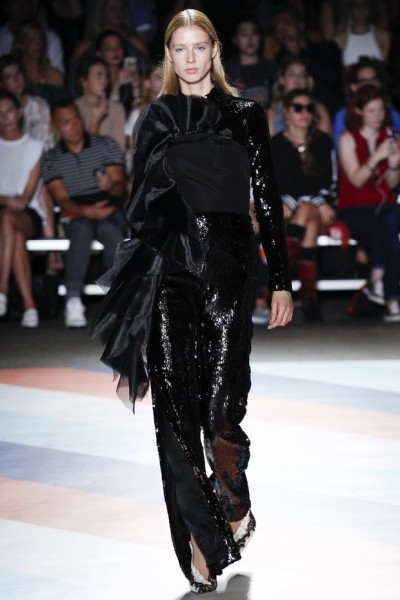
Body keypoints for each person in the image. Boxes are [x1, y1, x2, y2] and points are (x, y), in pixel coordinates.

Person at [90, 8, 293, 595]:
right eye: (178, 48)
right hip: (170, 271)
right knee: (175, 411)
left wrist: (281, 278)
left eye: (198, 46)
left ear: (214, 50)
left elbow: (267, 198)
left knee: (223, 406)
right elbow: (142, 207)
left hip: (230, 268)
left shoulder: (245, 114)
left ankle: (234, 500)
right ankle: (203, 541)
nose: (189, 58)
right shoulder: (156, 117)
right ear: (168, 56)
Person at [41, 100, 126, 328]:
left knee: (111, 230)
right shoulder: (51, 158)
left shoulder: (105, 144)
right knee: (81, 228)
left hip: (109, 207)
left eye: (76, 118)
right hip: (76, 211)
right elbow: (62, 199)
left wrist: (110, 185)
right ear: (55, 127)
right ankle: (73, 299)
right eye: (66, 122)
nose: (74, 125)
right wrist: (86, 211)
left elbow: (120, 188)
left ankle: (116, 297)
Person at [271, 88, 336, 321]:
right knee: (308, 219)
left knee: (306, 211)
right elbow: (280, 183)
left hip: (320, 208)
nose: (304, 113)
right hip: (294, 210)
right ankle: (309, 297)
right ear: (286, 113)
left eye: (309, 108)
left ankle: (278, 275)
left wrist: (301, 199)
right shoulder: (276, 144)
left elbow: (327, 181)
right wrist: (297, 199)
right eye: (298, 108)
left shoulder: (322, 141)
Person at [337, 85, 400, 322]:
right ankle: (392, 300)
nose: (378, 115)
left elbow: (391, 184)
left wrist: (393, 164)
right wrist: (377, 157)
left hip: (384, 210)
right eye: (372, 110)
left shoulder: (390, 137)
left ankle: (376, 279)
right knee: (391, 230)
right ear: (359, 111)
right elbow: (356, 180)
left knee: (390, 221)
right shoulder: (348, 138)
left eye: (381, 110)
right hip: (354, 210)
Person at [0, 89, 44, 327]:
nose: (4, 118)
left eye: (8, 111)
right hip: (7, 215)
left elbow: (25, 199)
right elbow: (13, 200)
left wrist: (6, 201)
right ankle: (30, 306)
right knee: (14, 236)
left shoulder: (35, 146)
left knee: (8, 219)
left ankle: (2, 288)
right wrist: (8, 200)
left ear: (18, 112)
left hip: (27, 215)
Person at [332, 57, 400, 151]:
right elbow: (339, 152)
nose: (370, 84)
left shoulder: (393, 114)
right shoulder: (342, 115)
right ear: (354, 87)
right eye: (365, 81)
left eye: (374, 79)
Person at [267, 55, 331, 136]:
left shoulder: (319, 109)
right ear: (281, 79)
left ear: (307, 80)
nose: (297, 78)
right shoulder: (272, 111)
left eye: (302, 74)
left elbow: (325, 140)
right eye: (291, 74)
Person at [74, 56, 126, 152]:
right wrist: (95, 121)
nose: (104, 81)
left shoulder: (116, 109)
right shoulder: (74, 109)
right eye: (99, 76)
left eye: (106, 76)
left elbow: (118, 151)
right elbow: (80, 154)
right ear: (84, 82)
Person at [223, 15, 277, 106]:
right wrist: (231, 94)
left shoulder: (271, 67)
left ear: (260, 37)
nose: (250, 39)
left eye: (254, 33)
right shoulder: (226, 71)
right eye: (244, 34)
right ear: (235, 39)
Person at [11, 21, 67, 105]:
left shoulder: (54, 74)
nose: (38, 44)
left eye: (41, 39)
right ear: (21, 45)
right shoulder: (14, 76)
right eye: (33, 40)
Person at [333, 0, 391, 68]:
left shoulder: (383, 38)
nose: (361, 11)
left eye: (365, 6)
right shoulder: (339, 40)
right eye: (356, 7)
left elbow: (384, 70)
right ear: (350, 9)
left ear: (371, 8)